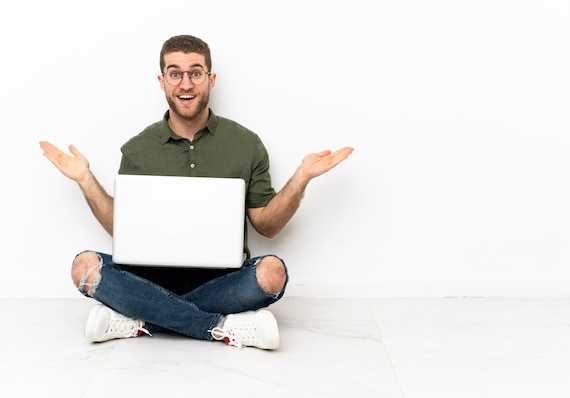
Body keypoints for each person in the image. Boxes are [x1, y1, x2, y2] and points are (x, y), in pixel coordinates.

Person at [39, 34, 353, 350]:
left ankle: (141, 318)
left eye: (195, 73)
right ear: (162, 81)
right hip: (151, 279)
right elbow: (121, 230)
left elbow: (268, 226)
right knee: (84, 267)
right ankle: (220, 326)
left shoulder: (246, 143)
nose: (186, 84)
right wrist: (84, 178)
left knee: (272, 273)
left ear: (210, 79)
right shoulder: (137, 149)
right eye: (175, 73)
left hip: (222, 281)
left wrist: (302, 177)